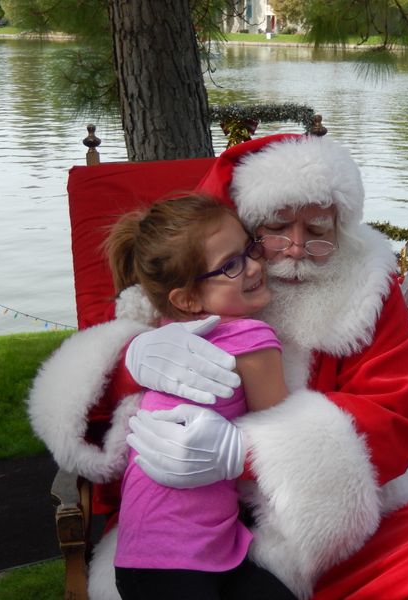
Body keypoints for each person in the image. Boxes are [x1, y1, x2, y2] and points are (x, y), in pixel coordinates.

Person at [28, 134, 408, 600]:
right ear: (245, 222)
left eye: (317, 230)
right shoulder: (192, 274)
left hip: (328, 519)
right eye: (275, 228)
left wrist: (248, 450)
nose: (294, 247)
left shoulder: (366, 285)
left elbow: (399, 409)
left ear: (341, 223)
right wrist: (131, 361)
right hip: (184, 531)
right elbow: (92, 416)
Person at [101, 196, 295, 600]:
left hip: (156, 554)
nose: (256, 266)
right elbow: (281, 435)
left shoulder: (174, 331)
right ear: (187, 299)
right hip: (179, 564)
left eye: (248, 248)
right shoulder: (253, 339)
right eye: (231, 265)